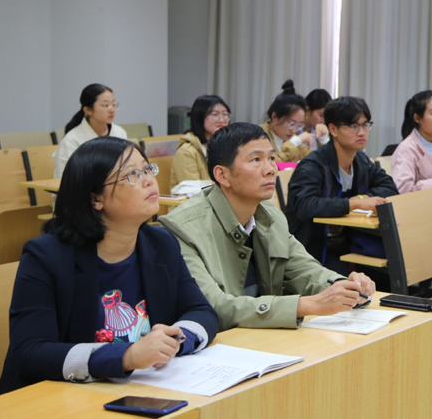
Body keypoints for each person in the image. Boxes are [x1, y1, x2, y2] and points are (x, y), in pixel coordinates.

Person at [0, 137, 218, 394]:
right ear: (95, 199)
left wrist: (177, 340)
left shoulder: (161, 243)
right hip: (59, 397)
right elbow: (30, 352)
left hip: (139, 389)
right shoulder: (46, 257)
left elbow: (201, 311)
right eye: (132, 175)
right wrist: (126, 356)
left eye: (148, 169)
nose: (149, 180)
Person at [159, 123, 376, 331]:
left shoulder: (270, 215)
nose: (271, 169)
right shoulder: (182, 229)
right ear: (222, 175)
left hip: (262, 338)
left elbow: (306, 271)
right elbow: (215, 307)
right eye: (256, 159)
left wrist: (347, 287)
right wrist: (306, 305)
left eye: (272, 158)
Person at [285, 97, 398, 267]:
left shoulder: (360, 160)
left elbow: (389, 186)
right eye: (353, 126)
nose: (362, 132)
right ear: (333, 129)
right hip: (313, 251)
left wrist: (362, 199)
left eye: (365, 125)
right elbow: (305, 205)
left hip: (349, 242)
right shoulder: (313, 165)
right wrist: (351, 204)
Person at [54, 84, 127, 178]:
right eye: (106, 105)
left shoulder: (119, 133)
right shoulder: (71, 140)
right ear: (88, 110)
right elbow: (65, 178)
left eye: (114, 104)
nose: (112, 110)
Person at [171, 95, 231, 189]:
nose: (222, 120)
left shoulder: (227, 147)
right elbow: (191, 191)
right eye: (215, 114)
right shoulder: (187, 152)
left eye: (225, 114)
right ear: (200, 117)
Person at [260, 80, 325, 162]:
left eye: (299, 125)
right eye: (291, 124)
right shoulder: (259, 136)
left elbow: (317, 160)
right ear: (275, 116)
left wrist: (324, 140)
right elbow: (272, 164)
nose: (294, 130)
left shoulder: (292, 137)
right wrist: (293, 143)